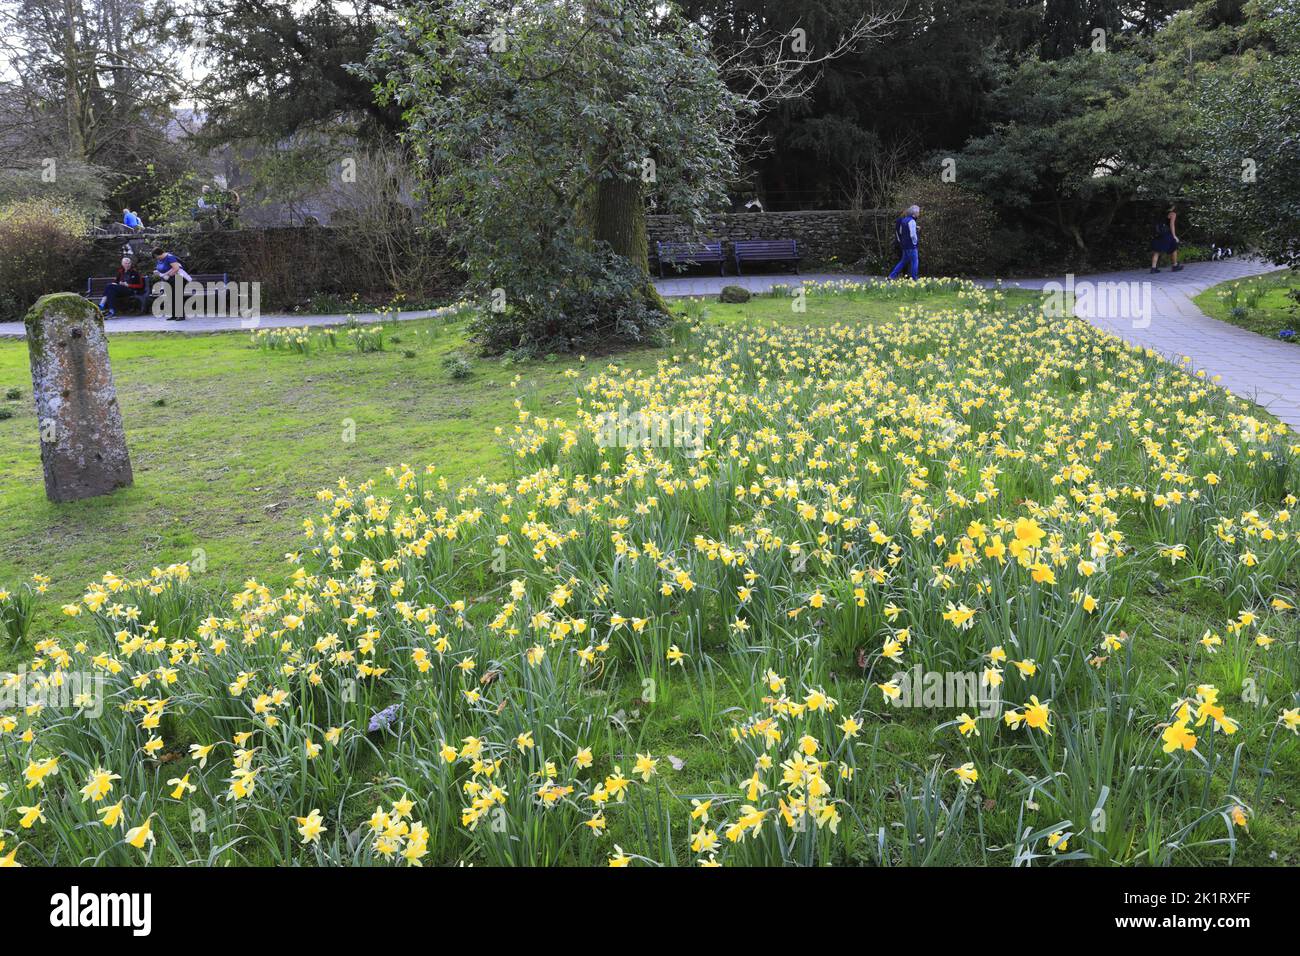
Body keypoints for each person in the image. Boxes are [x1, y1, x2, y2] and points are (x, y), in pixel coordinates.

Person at [152, 247, 193, 321]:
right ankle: (174, 315)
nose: (156, 258)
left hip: (178, 278)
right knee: (171, 297)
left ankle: (181, 316)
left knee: (178, 297)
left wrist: (168, 275)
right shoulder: (160, 259)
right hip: (169, 280)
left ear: (158, 254)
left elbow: (176, 268)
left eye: (156, 256)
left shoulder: (170, 257)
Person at [888, 204, 920, 280]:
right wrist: (915, 242)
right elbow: (912, 235)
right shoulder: (912, 221)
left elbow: (901, 232)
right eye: (918, 212)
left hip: (904, 245)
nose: (919, 214)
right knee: (915, 262)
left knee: (903, 262)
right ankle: (914, 278)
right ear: (914, 213)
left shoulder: (904, 220)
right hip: (911, 245)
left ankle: (891, 276)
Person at [1150, 205, 1183, 273]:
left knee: (1157, 251)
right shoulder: (1172, 214)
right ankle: (1175, 266)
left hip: (1159, 234)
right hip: (1167, 234)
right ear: (1173, 207)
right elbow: (1172, 225)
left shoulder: (1160, 213)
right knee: (1174, 248)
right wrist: (1174, 236)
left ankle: (1153, 268)